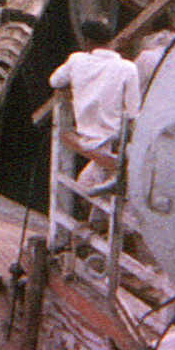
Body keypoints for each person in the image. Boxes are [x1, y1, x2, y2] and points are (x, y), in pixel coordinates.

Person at [31, 19, 143, 223]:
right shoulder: (128, 68)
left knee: (88, 187)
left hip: (87, 140)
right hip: (114, 142)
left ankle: (97, 225)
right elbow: (134, 112)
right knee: (100, 188)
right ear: (111, 40)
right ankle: (103, 224)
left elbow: (55, 81)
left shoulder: (76, 60)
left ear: (87, 41)